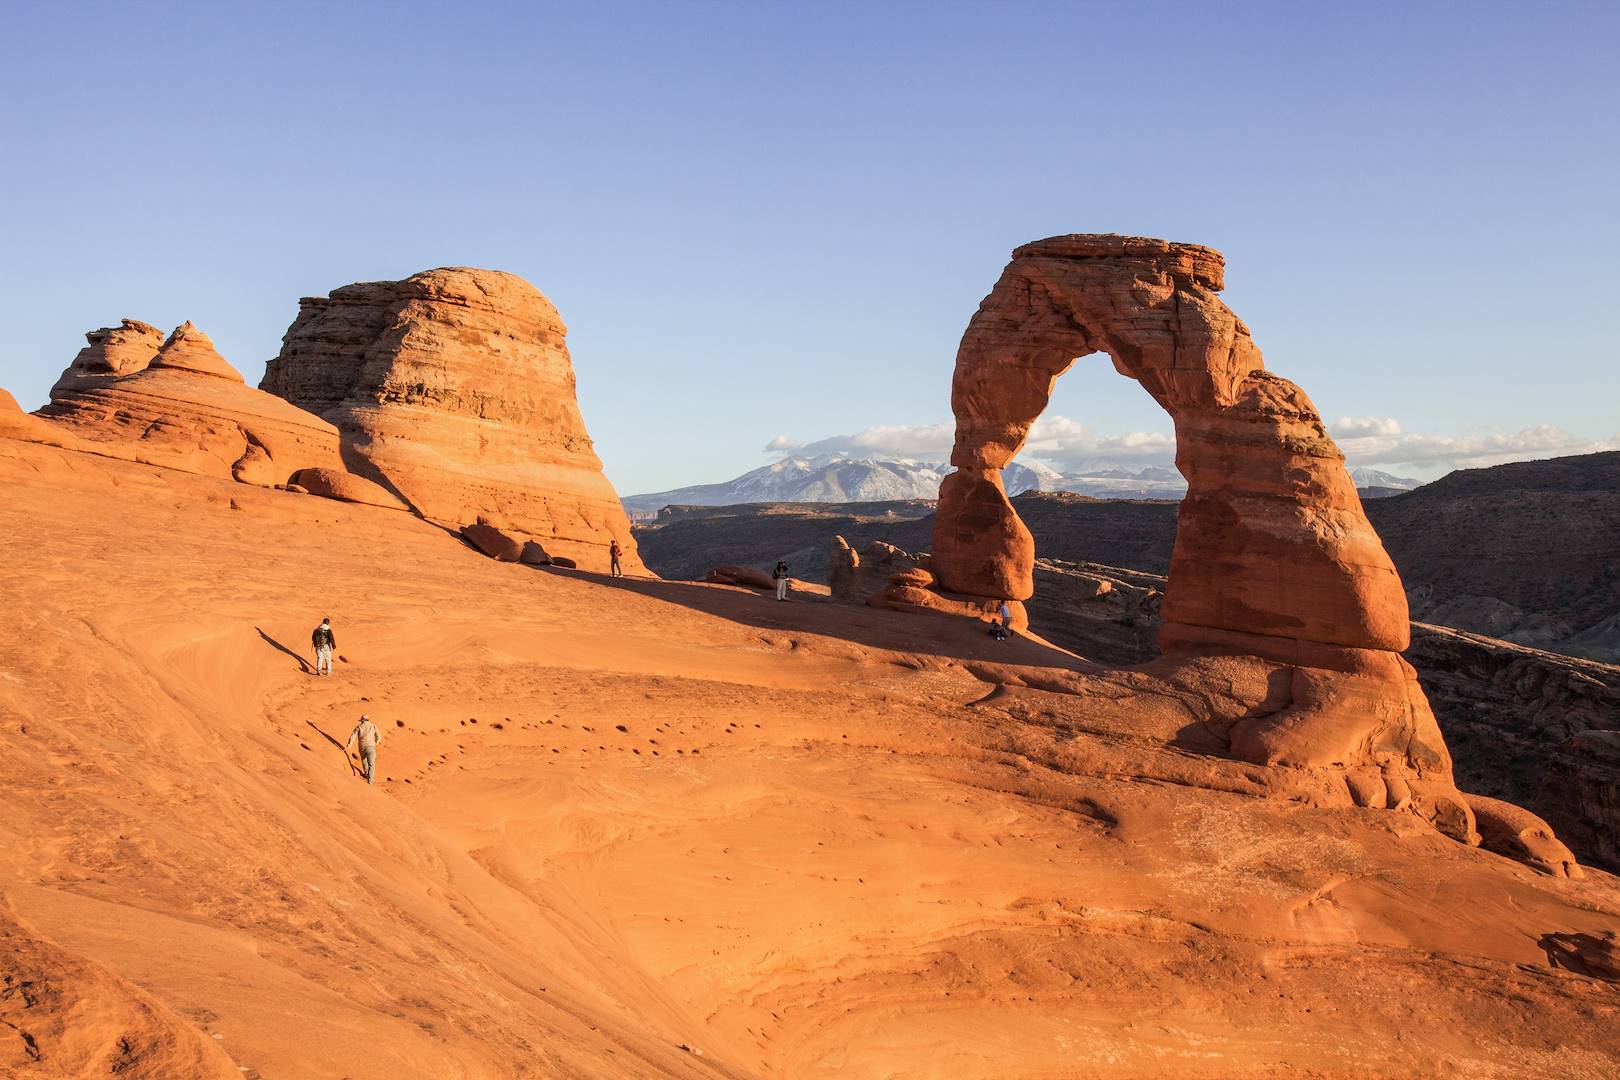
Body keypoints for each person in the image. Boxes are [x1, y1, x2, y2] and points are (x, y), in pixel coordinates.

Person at [346, 713, 383, 784]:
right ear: (368, 720)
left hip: (362, 747)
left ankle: (366, 774)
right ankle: (370, 780)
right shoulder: (373, 726)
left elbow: (352, 737)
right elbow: (379, 736)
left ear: (362, 720)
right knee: (371, 764)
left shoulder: (358, 727)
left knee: (364, 761)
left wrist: (349, 745)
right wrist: (376, 743)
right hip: (371, 747)